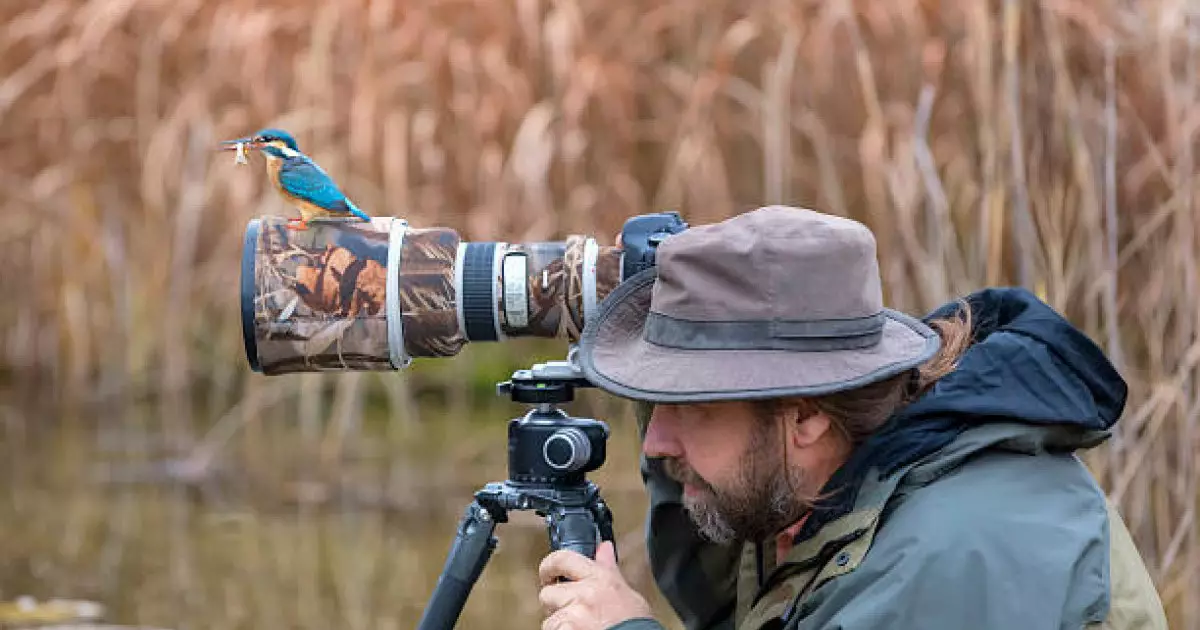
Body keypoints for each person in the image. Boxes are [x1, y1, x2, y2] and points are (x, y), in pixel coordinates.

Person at [535, 206, 1167, 630]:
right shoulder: (826, 485)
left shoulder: (952, 552)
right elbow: (733, 602)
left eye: (693, 405)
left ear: (806, 414)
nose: (654, 442)